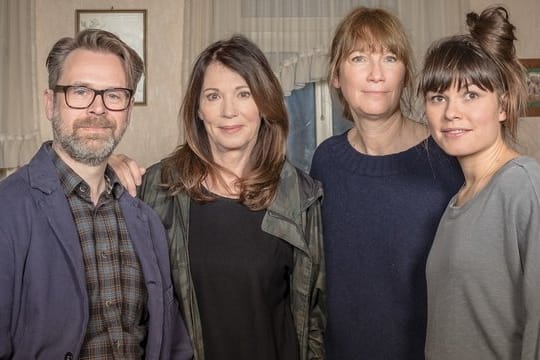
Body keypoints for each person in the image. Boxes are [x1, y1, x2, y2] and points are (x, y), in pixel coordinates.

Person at [112, 35, 325, 360]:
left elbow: (314, 320)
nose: (229, 111)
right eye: (213, 96)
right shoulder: (157, 188)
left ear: (264, 104)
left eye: (243, 94)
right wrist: (103, 166)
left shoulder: (300, 197)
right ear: (198, 109)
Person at [0, 29, 193, 359]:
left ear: (129, 108)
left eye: (114, 95)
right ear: (50, 103)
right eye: (80, 91)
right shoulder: (8, 212)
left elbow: (171, 343)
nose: (97, 109)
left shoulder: (146, 220)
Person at [309, 7, 464, 359]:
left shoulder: (447, 158)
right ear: (335, 75)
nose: (376, 74)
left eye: (390, 58)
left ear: (405, 75)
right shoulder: (326, 161)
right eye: (359, 58)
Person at [418, 6, 539, 359]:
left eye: (470, 95)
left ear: (502, 106)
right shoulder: (458, 200)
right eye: (438, 97)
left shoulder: (523, 186)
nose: (451, 112)